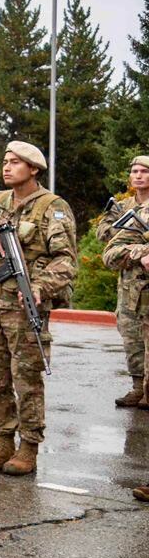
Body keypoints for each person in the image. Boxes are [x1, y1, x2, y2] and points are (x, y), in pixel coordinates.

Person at [0, 141, 77, 477]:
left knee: (27, 380)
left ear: (33, 169)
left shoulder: (52, 207)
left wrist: (39, 286)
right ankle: (3, 441)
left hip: (24, 308)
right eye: (5, 162)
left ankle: (28, 447)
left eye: (15, 163)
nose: (6, 168)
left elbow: (66, 261)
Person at [102, 155, 149, 408]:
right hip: (130, 285)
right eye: (135, 171)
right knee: (131, 338)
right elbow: (105, 236)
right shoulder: (123, 206)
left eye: (144, 171)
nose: (138, 175)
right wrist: (136, 245)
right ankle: (137, 387)